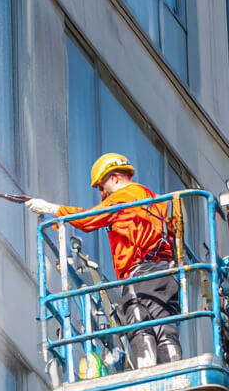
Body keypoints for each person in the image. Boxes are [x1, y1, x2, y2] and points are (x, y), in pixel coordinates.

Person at [25, 153, 181, 367]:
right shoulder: (154, 201)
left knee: (139, 323)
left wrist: (53, 210)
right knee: (164, 327)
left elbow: (89, 219)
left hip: (141, 274)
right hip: (166, 275)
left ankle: (148, 374)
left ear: (115, 178)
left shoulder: (125, 195)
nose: (101, 194)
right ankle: (173, 369)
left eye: (101, 186)